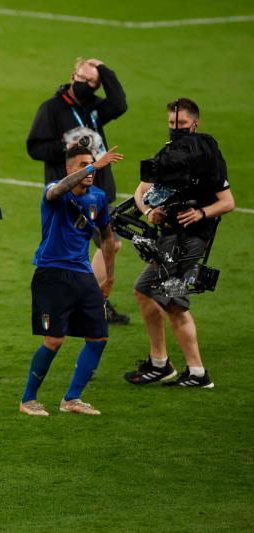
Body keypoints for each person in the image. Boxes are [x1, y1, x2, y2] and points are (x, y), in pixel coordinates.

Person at [124, 98, 234, 388]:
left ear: (195, 123)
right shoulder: (170, 154)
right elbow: (142, 190)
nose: (176, 128)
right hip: (171, 239)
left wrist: (200, 212)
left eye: (182, 123)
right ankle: (189, 370)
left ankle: (165, 364)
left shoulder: (207, 158)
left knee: (149, 290)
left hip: (190, 241)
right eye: (172, 123)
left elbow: (228, 203)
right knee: (172, 301)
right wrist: (150, 212)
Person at [19, 145, 122, 417]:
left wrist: (110, 276)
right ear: (69, 168)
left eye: (91, 164)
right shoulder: (54, 191)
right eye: (82, 165)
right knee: (54, 340)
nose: (89, 170)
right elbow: (57, 190)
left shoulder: (98, 198)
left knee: (98, 337)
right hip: (51, 274)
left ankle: (72, 399)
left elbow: (107, 236)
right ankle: (28, 399)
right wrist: (94, 167)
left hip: (83, 275)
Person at [27, 57, 130, 325]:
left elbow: (119, 103)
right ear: (72, 75)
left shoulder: (94, 108)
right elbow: (34, 148)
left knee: (100, 245)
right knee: (106, 244)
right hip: (69, 192)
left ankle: (92, 303)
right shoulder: (52, 109)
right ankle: (92, 303)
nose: (85, 85)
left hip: (99, 188)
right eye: (81, 78)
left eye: (92, 82)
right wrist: (67, 146)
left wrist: (104, 70)